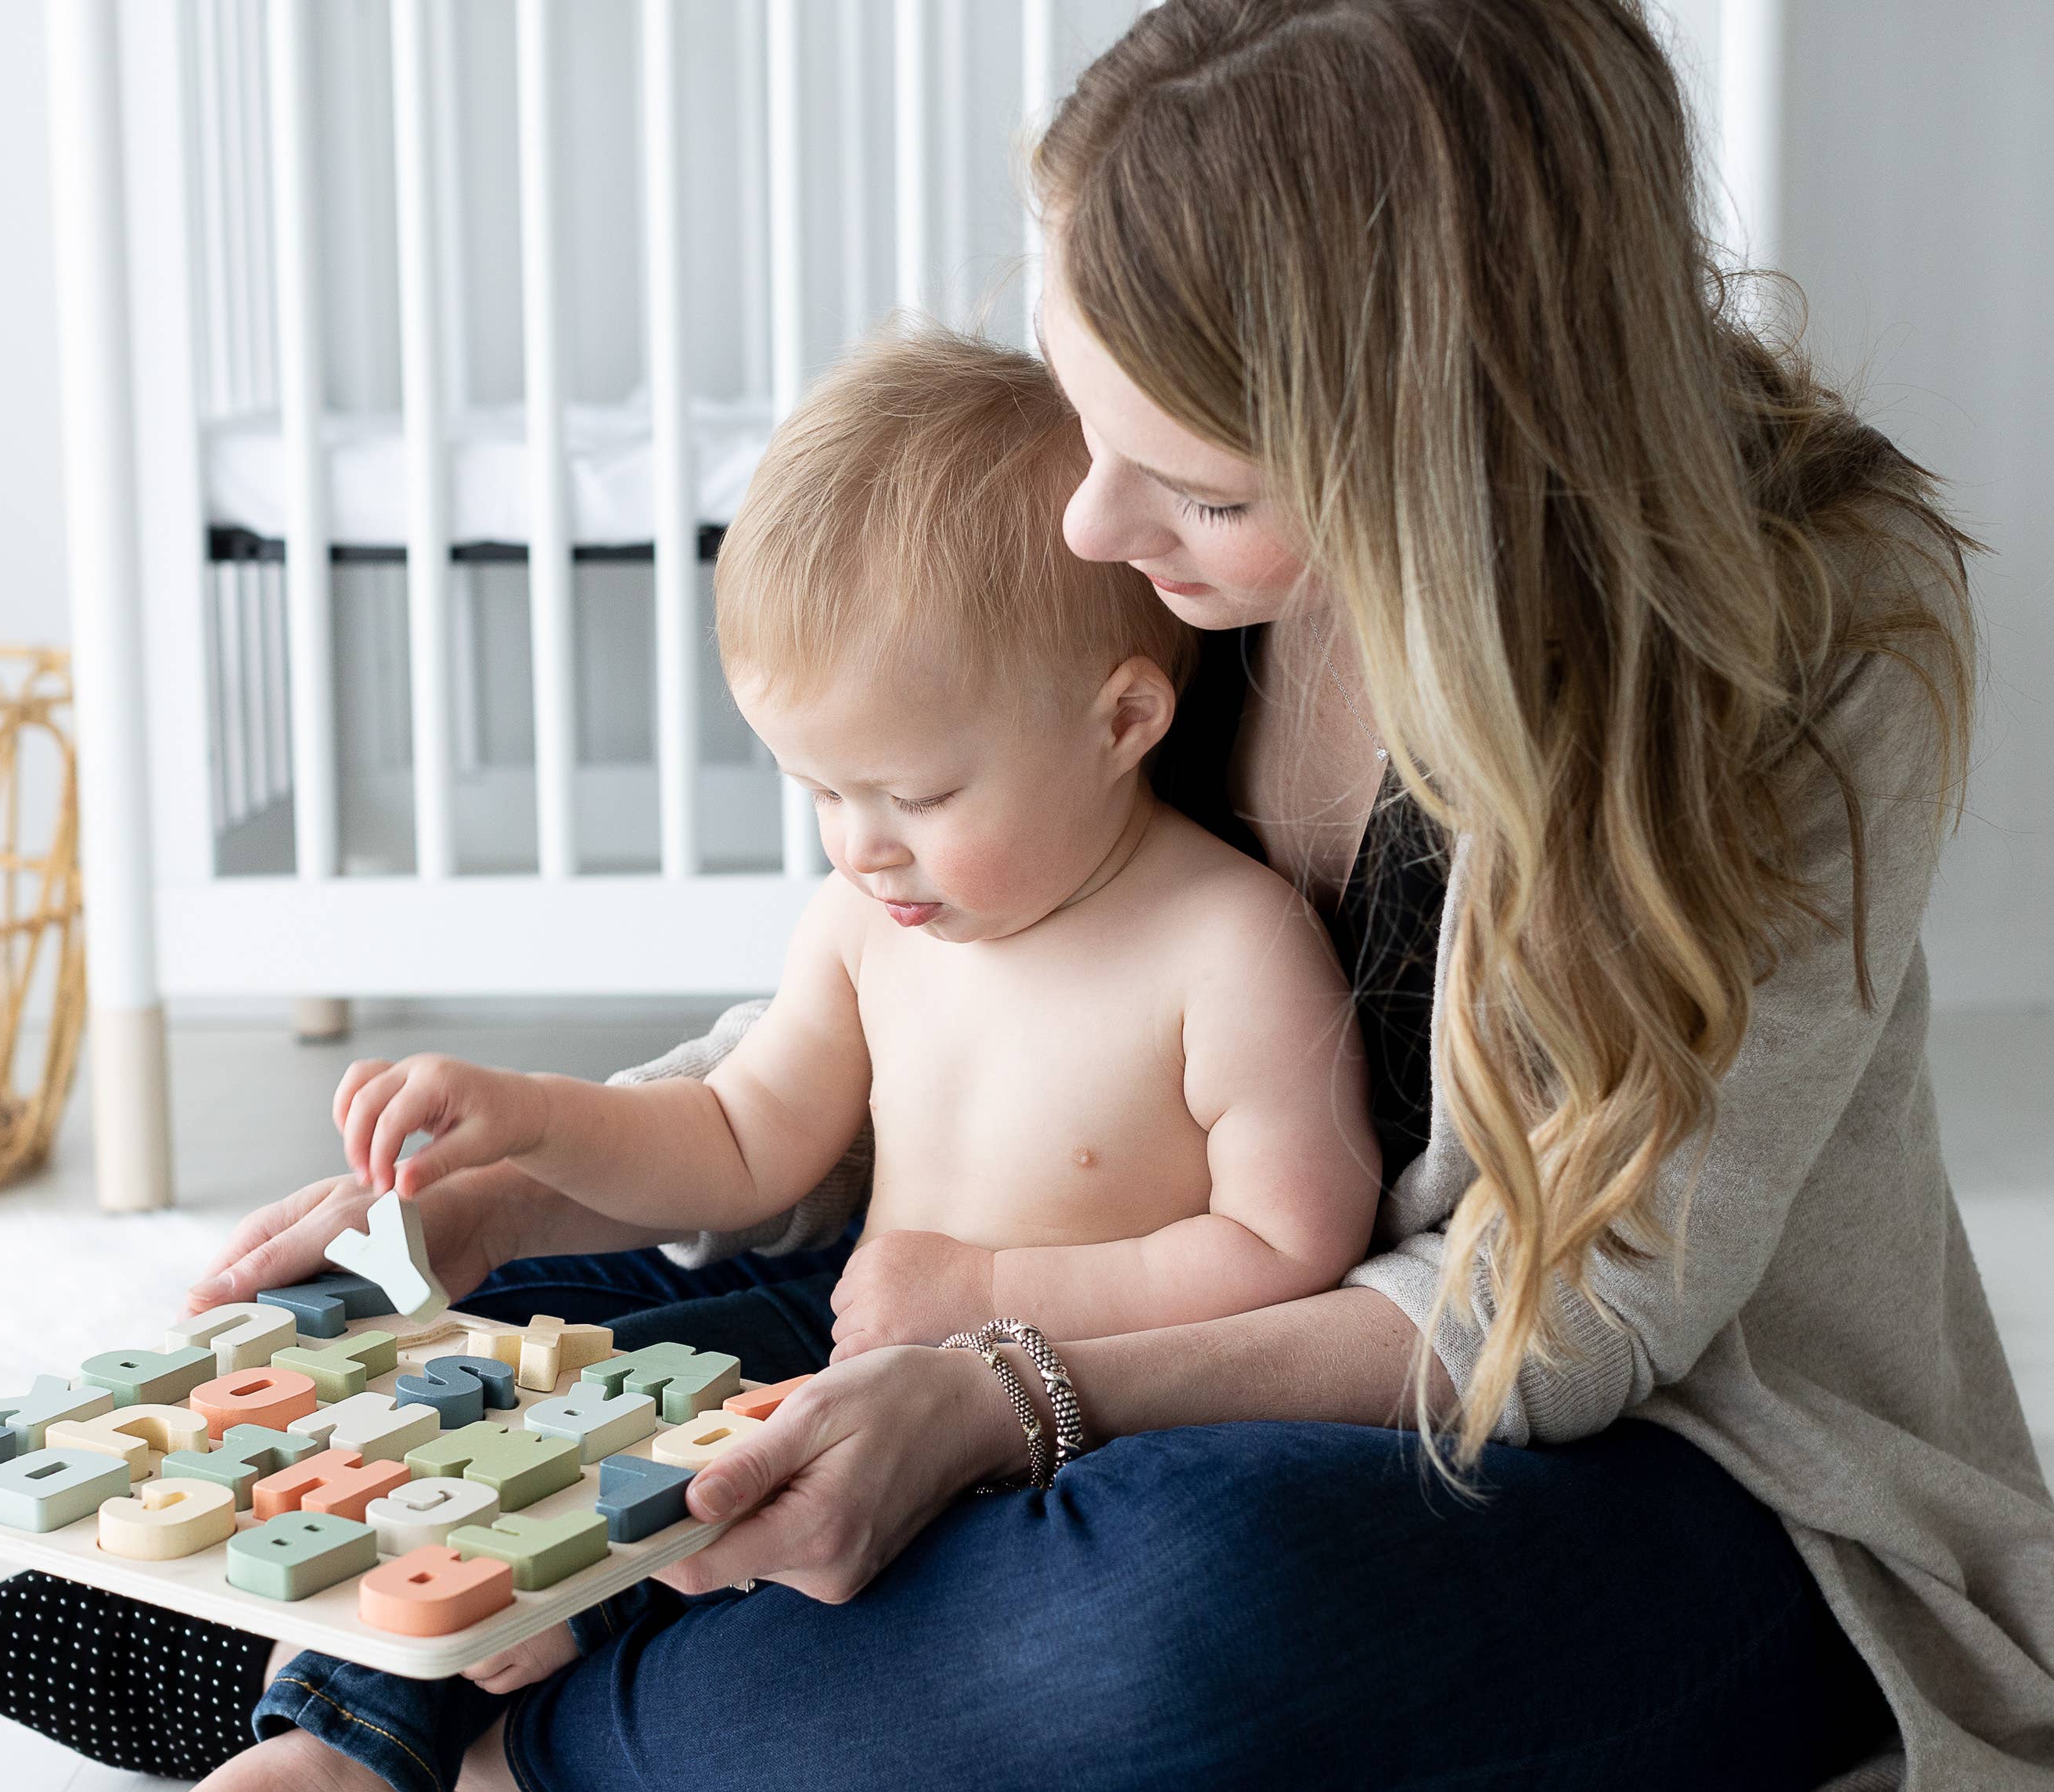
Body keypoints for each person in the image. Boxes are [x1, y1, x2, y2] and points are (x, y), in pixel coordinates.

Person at [0, 5, 2054, 1792]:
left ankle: (465, 1716)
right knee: (488, 1326)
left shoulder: (1798, 642)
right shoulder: (1156, 562)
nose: (1096, 516)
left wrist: (1009, 1389)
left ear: (1427, 444)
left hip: (1640, 1489)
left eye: (1192, 481)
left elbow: (1558, 1331)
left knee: (1183, 1625)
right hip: (1097, 1337)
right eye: (1095, 417)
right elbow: (907, 1009)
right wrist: (544, 1164)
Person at [324, 326, 1378, 1373]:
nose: (861, 847)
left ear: (1121, 723)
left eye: (917, 796)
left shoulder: (1228, 947)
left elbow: (1288, 1243)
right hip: (872, 1365)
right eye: (821, 790)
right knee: (563, 1395)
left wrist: (993, 1294)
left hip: (1096, 1413)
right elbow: (737, 1141)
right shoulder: (866, 925)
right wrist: (536, 1115)